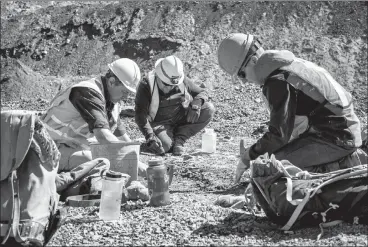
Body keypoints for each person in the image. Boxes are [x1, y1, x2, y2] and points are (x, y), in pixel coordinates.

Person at [217, 33, 365, 183]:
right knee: (270, 159)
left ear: (254, 60)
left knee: (269, 170)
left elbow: (278, 136)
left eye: (242, 74)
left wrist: (249, 157)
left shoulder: (277, 82)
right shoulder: (287, 67)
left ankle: (346, 164)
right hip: (343, 131)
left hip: (337, 138)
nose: (244, 82)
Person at [41, 58, 147, 193]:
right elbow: (103, 136)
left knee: (110, 160)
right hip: (50, 150)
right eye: (124, 91)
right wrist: (135, 165)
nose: (126, 97)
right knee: (100, 161)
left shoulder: (112, 103)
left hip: (71, 150)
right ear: (111, 82)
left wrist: (140, 163)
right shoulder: (87, 92)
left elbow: (123, 140)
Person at [135, 55, 215, 156]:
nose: (169, 88)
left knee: (208, 109)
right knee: (164, 146)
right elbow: (140, 115)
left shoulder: (179, 79)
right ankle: (165, 140)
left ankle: (179, 139)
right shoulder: (146, 84)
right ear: (158, 76)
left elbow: (201, 92)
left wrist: (196, 105)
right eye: (166, 84)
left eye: (173, 86)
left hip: (180, 117)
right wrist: (150, 136)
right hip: (159, 123)